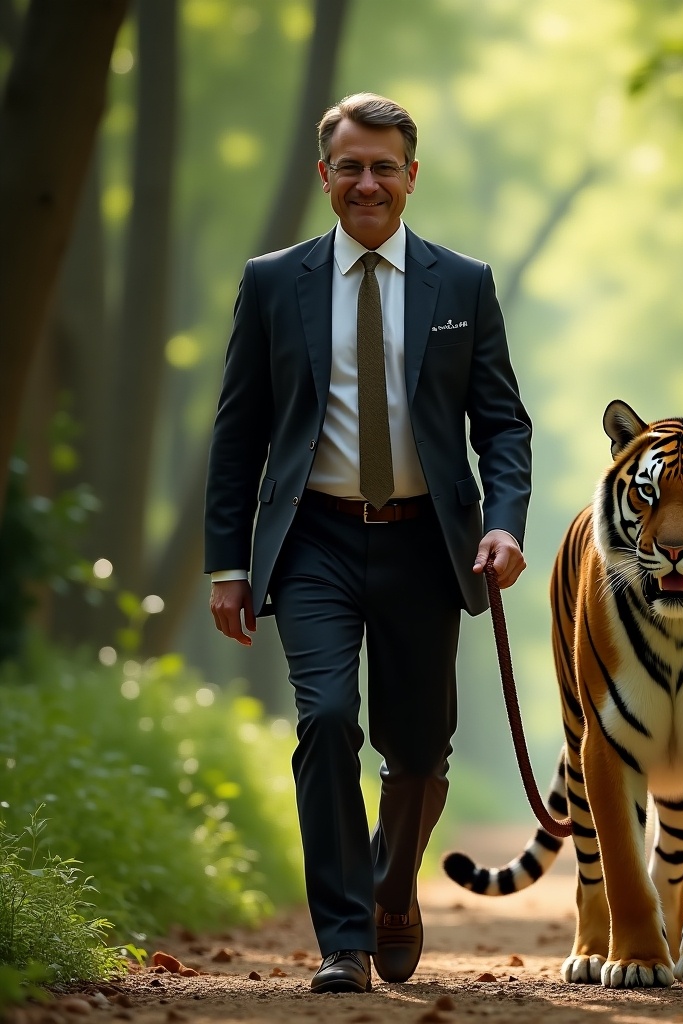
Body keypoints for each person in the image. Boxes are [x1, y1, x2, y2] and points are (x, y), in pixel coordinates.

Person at [204, 93, 532, 994]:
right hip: (312, 540)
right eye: (350, 165)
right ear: (325, 176)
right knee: (326, 722)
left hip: (430, 544)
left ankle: (393, 884)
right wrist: (229, 565)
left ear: (411, 177)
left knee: (420, 750)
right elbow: (240, 433)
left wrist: (502, 521)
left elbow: (502, 426)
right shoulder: (275, 283)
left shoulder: (462, 284)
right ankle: (343, 939)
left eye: (384, 166)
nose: (368, 182)